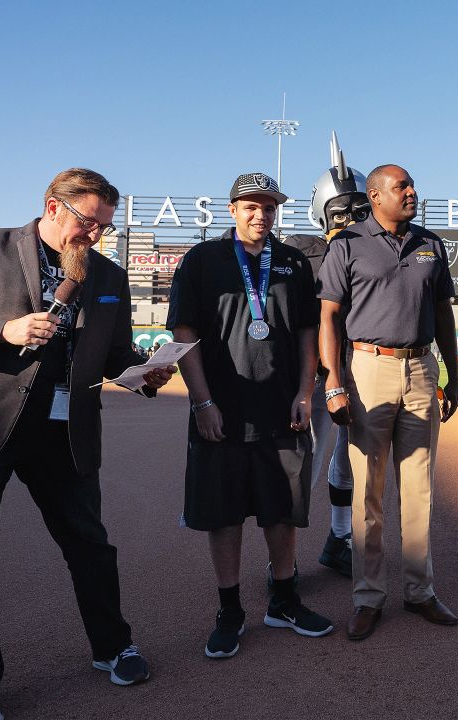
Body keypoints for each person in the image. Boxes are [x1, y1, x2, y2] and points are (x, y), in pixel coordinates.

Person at [0, 169, 175, 720]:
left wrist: (142, 372)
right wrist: (1, 332)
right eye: (87, 223)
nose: (95, 236)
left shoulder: (109, 275)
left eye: (104, 227)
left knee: (90, 546)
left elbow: (115, 352)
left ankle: (113, 646)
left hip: (63, 430)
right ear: (53, 207)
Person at [169, 171, 335, 661]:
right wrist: (202, 401)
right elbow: (183, 330)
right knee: (224, 514)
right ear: (232, 210)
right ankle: (230, 610)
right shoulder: (202, 259)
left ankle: (283, 600)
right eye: (250, 206)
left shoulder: (291, 262)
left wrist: (307, 391)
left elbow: (307, 333)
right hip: (221, 410)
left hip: (283, 409)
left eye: (268, 206)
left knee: (281, 508)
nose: (260, 214)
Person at [318, 164, 458, 641]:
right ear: (375, 195)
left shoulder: (430, 243)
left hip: (421, 368)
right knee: (367, 493)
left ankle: (420, 591)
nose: (412, 192)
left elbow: (443, 313)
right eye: (402, 187)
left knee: (419, 489)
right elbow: (329, 318)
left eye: (413, 185)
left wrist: (454, 375)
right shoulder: (347, 244)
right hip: (367, 368)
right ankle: (367, 597)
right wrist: (334, 381)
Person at [283, 134, 367, 579]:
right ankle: (285, 563)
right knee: (305, 464)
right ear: (321, 214)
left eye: (359, 212)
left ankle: (340, 539)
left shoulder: (377, 246)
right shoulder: (298, 251)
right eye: (340, 213)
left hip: (361, 369)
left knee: (348, 461)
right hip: (314, 375)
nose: (351, 220)